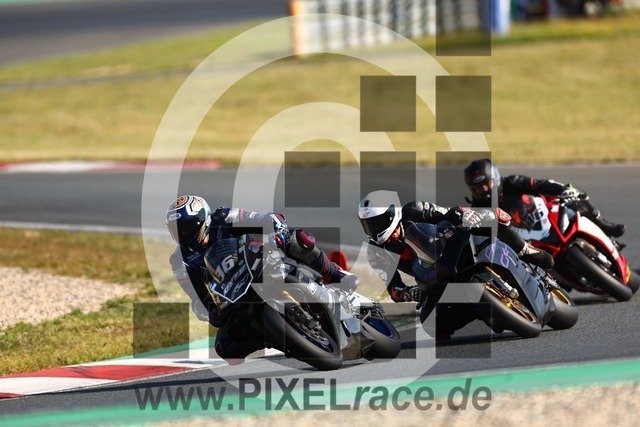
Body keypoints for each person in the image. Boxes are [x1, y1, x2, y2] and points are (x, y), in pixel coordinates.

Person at [166, 195, 357, 363]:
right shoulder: (179, 261)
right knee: (225, 347)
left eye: (186, 228)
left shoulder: (223, 217)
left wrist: (277, 232)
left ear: (201, 220)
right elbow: (197, 297)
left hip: (259, 263)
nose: (182, 235)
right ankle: (283, 337)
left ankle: (336, 273)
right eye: (176, 230)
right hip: (234, 295)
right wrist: (211, 312)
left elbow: (266, 218)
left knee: (295, 238)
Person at [357, 190, 554, 305]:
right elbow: (393, 289)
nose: (375, 229)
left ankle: (524, 249)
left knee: (493, 216)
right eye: (369, 225)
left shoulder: (414, 210)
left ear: (392, 213)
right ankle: (487, 312)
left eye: (378, 222)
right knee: (438, 330)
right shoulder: (376, 252)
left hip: (449, 247)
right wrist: (409, 293)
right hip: (432, 279)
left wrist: (463, 215)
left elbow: (448, 213)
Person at [463, 158, 625, 238]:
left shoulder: (511, 183)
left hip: (544, 216)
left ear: (496, 178)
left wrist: (562, 190)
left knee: (571, 193)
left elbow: (540, 184)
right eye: (478, 187)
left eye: (487, 184)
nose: (484, 189)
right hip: (525, 240)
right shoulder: (478, 209)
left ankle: (602, 224)